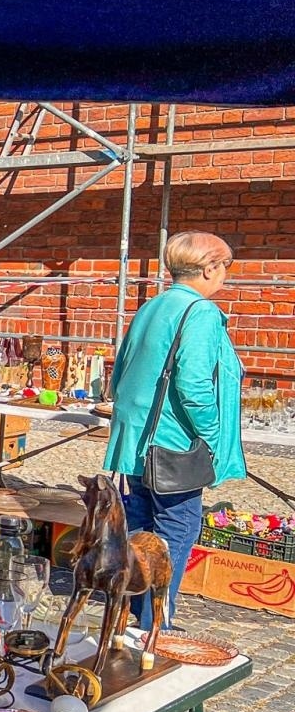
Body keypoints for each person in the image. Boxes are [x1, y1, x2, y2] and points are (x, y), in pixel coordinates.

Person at [106, 231, 246, 634]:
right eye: (224, 268)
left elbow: (122, 370)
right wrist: (214, 436)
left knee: (142, 528)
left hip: (138, 441)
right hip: (173, 444)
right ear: (208, 268)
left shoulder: (153, 306)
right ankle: (154, 624)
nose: (225, 276)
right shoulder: (199, 312)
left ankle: (132, 616)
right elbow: (195, 385)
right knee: (176, 530)